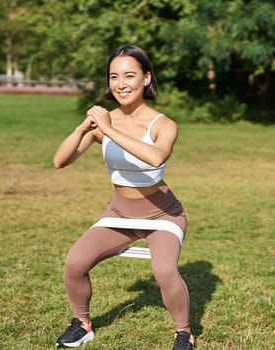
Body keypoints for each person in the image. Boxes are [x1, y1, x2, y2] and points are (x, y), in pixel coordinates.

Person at [52, 45, 195, 350]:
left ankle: (184, 333)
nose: (121, 84)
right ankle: (82, 324)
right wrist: (83, 128)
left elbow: (155, 158)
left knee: (164, 270)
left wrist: (108, 128)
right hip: (120, 211)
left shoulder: (164, 124)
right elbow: (59, 161)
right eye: (114, 76)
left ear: (146, 78)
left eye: (130, 75)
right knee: (74, 263)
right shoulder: (103, 123)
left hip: (162, 213)